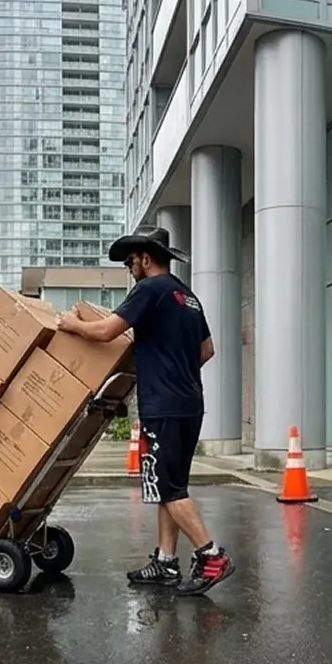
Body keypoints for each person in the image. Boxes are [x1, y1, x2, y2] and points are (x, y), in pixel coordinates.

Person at [55, 226, 235, 596]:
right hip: (189, 404)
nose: (128, 267)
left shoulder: (149, 290)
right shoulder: (188, 297)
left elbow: (106, 332)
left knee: (168, 489)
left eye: (129, 260)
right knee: (169, 486)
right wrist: (176, 368)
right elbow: (207, 350)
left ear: (146, 258)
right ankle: (166, 563)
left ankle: (211, 555)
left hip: (163, 405)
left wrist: (71, 324)